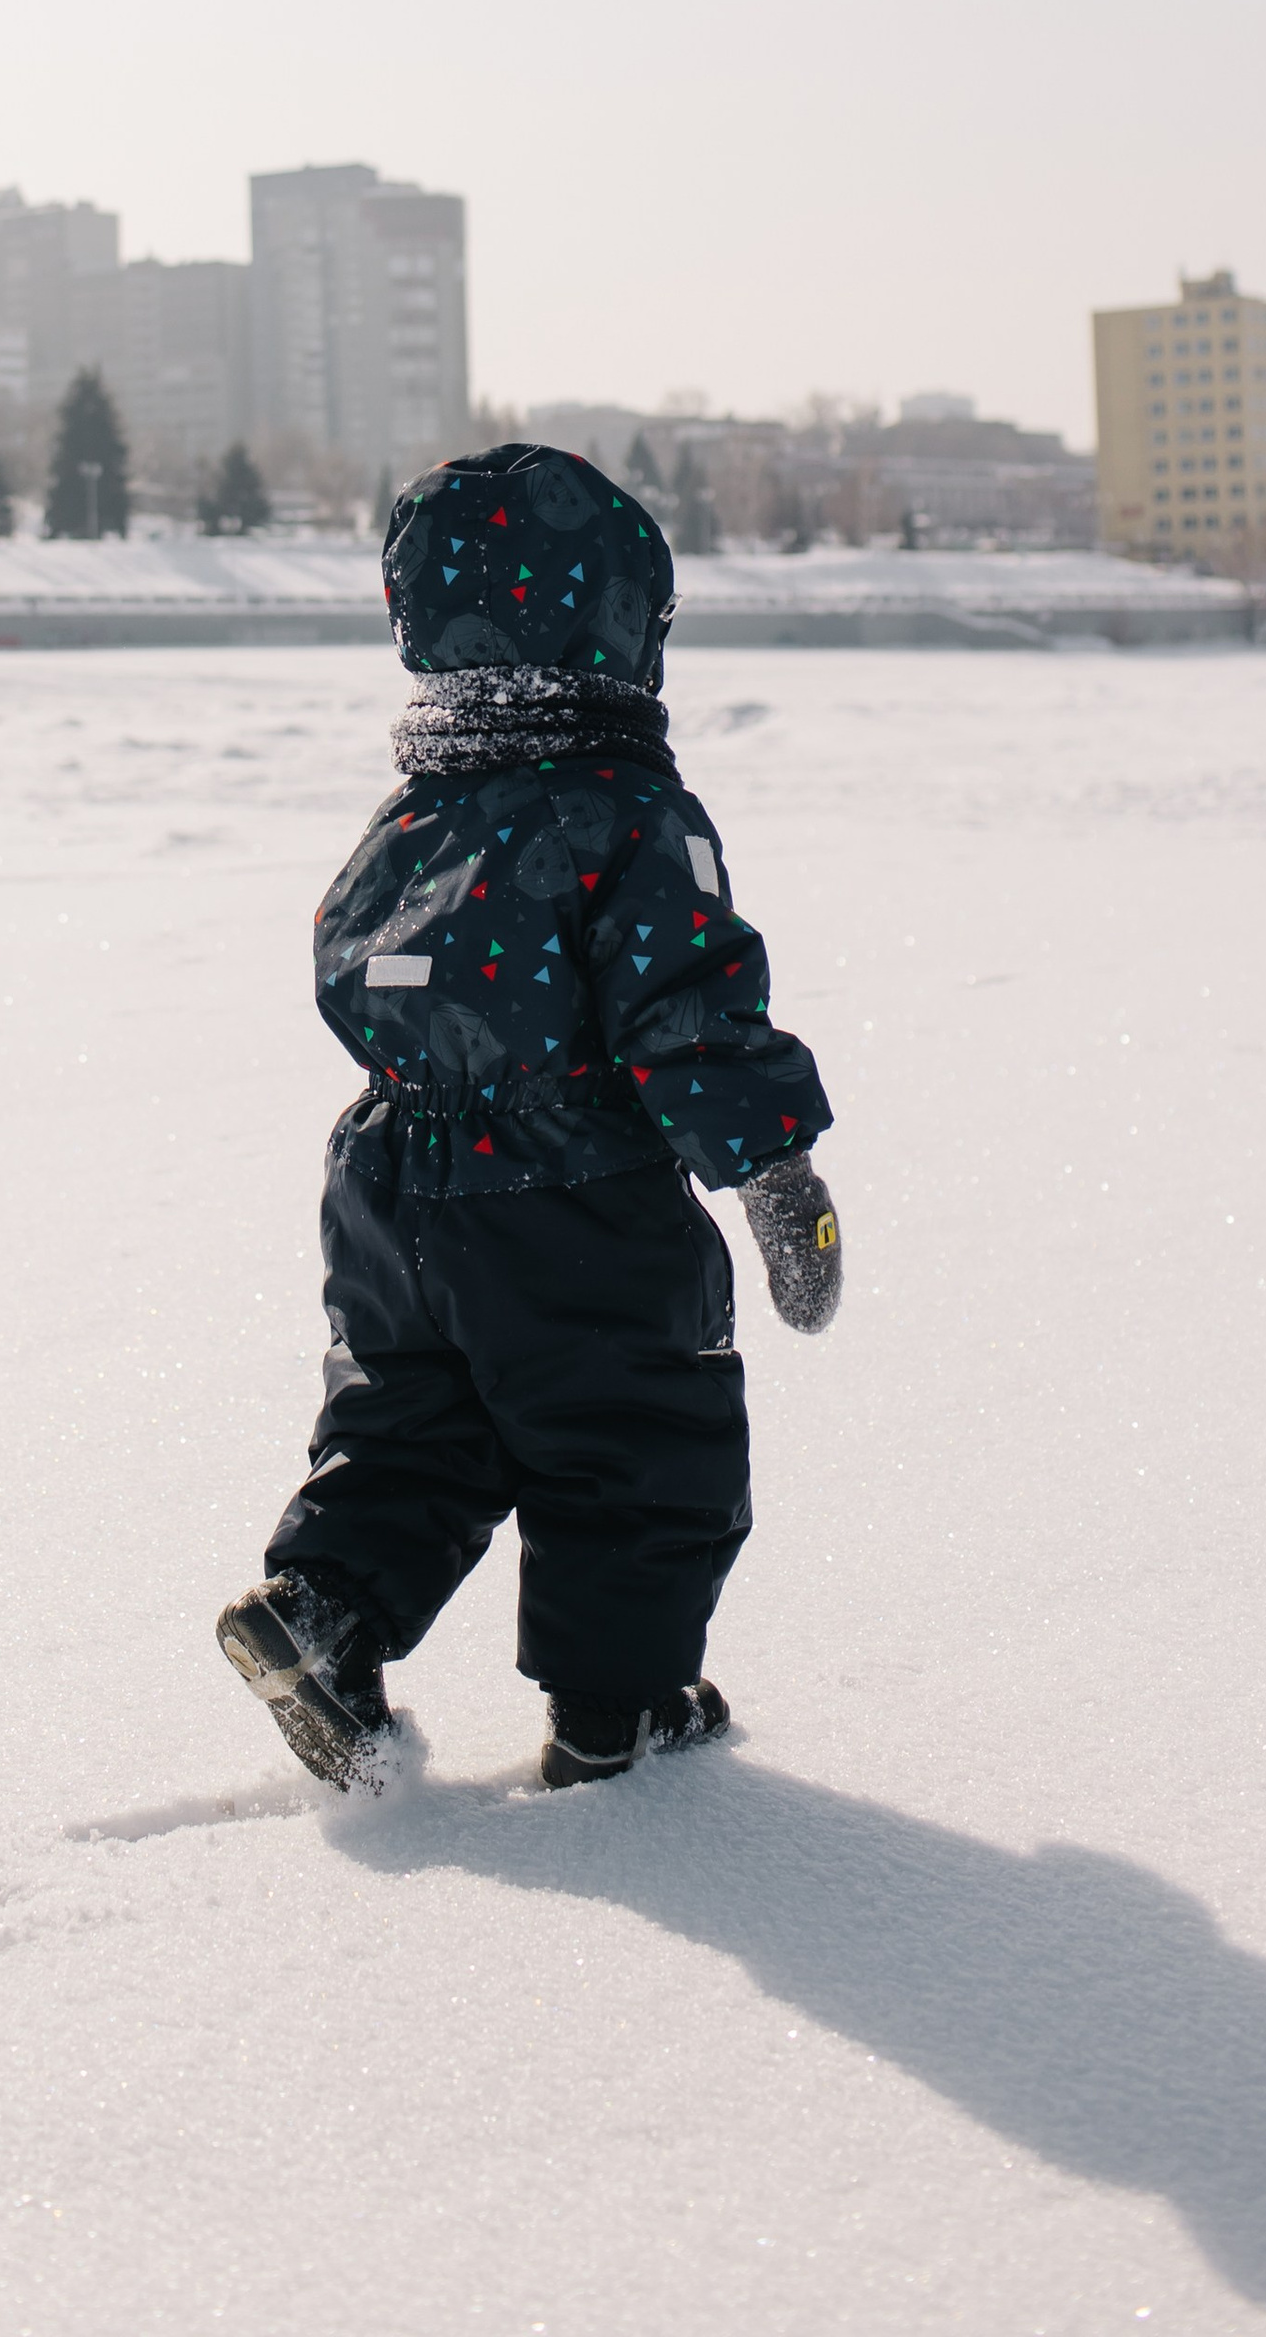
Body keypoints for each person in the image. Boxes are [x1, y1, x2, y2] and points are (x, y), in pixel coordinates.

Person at [218, 442, 841, 1792]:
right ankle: (621, 1713)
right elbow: (685, 1005)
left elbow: (346, 958)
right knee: (636, 1444)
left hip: (391, 1185)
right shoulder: (624, 809)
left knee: (416, 1421)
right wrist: (774, 1169)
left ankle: (321, 1610)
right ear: (617, 624)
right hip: (571, 1193)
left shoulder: (416, 814)